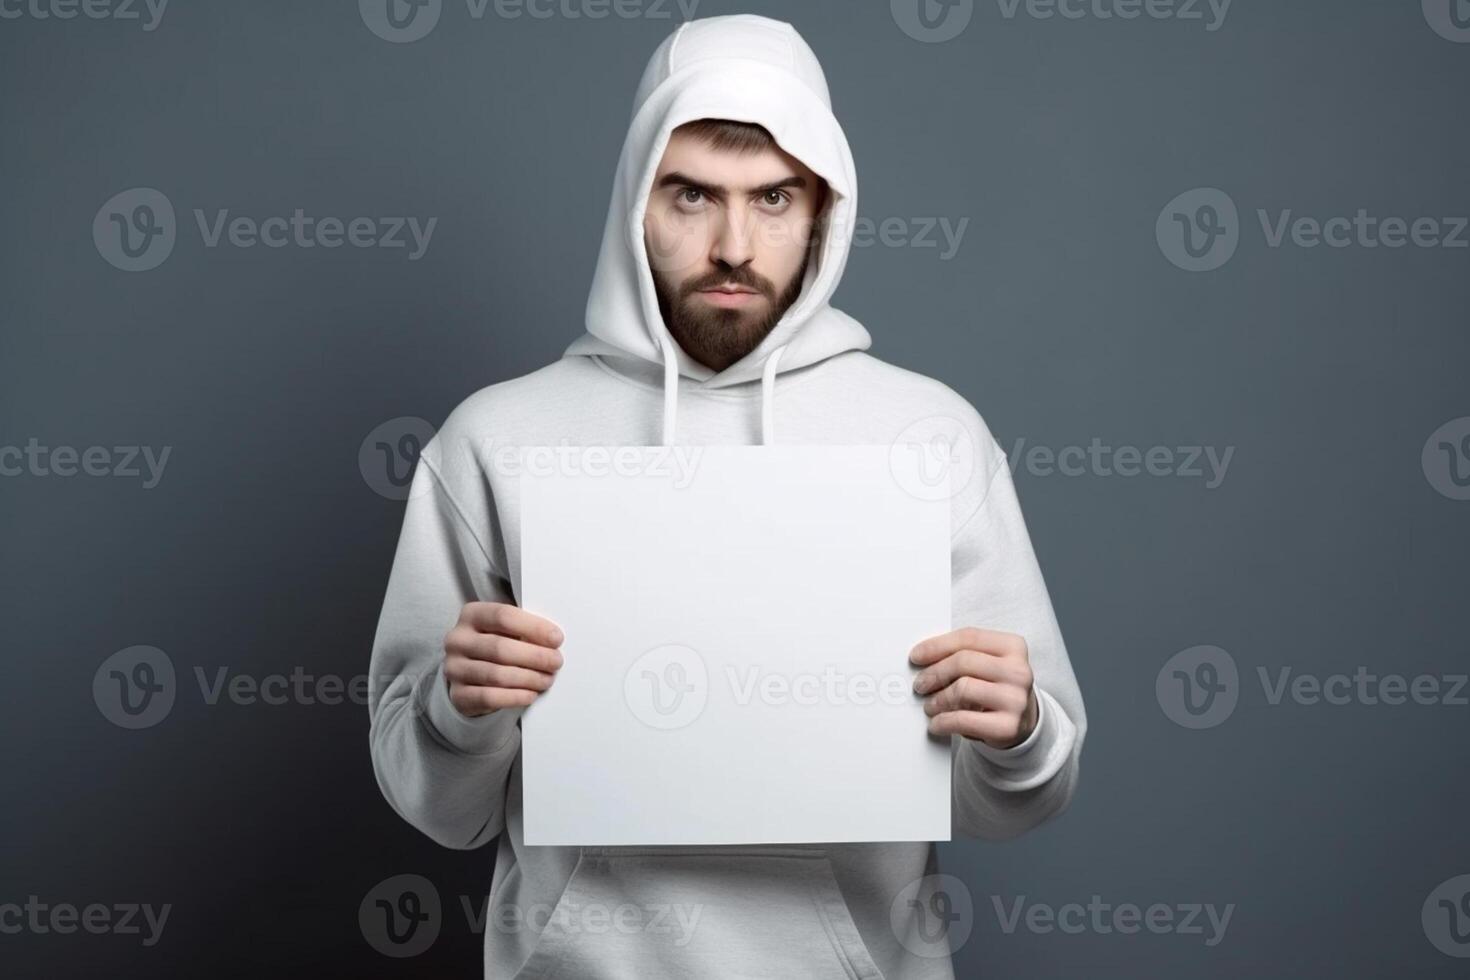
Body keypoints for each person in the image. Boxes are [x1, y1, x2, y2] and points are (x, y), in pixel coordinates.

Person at [368, 13, 1086, 978]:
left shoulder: (933, 439)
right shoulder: (496, 440)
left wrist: (1023, 731)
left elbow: (1012, 802)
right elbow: (439, 813)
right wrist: (457, 713)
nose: (735, 244)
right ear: (635, 201)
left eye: (775, 197)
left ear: (825, 208)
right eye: (693, 195)